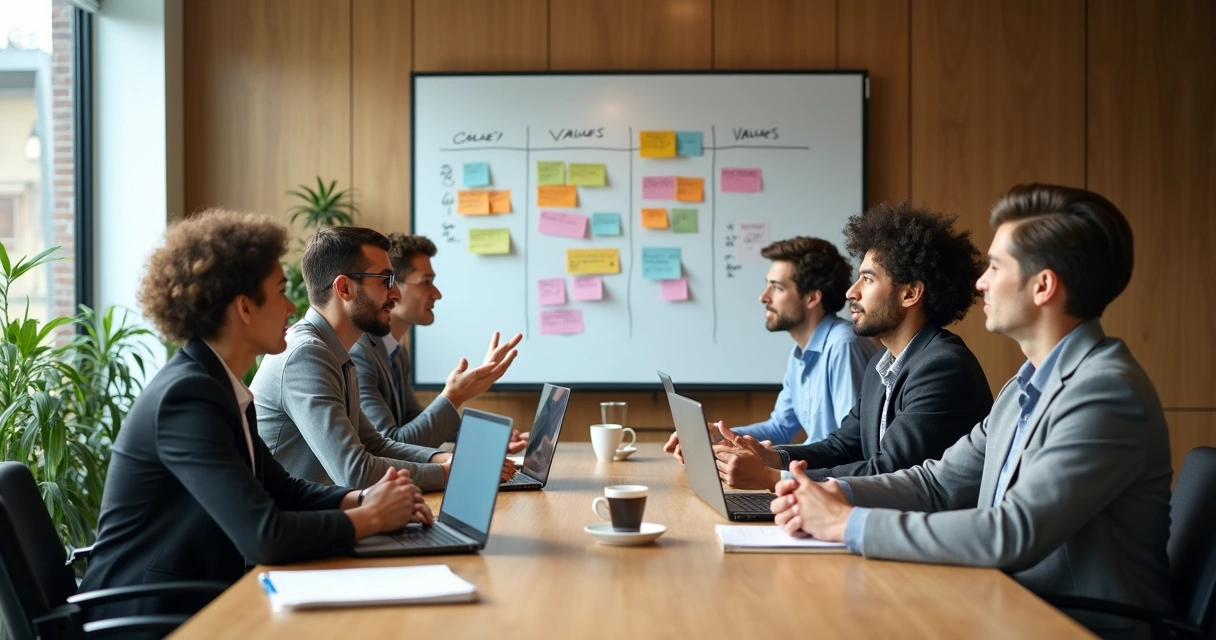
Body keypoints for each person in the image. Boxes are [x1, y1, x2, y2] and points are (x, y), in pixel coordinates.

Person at [771, 184, 1171, 639]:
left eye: (996, 267)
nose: (980, 281)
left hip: (1071, 624)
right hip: (1005, 606)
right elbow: (936, 482)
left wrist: (847, 523)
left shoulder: (1104, 392)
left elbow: (1012, 532)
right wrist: (838, 493)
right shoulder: (1022, 387)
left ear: (1043, 286)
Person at [80, 210, 430, 621]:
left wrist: (365, 498)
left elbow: (285, 491)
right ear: (244, 306)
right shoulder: (187, 397)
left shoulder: (218, 384)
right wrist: (369, 517)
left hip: (200, 601)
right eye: (281, 291)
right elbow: (265, 536)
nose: (291, 305)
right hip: (145, 617)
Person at [711, 203, 993, 491]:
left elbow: (890, 470)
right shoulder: (882, 364)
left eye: (868, 279)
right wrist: (772, 457)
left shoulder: (942, 367)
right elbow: (843, 446)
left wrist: (775, 478)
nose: (851, 292)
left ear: (909, 293)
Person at [253, 226, 516, 491]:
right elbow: (354, 471)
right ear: (344, 287)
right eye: (385, 280)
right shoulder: (307, 354)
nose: (396, 294)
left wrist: (447, 459)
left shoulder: (334, 351)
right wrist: (449, 473)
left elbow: (375, 444)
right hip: (286, 524)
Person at [663, 237, 879, 460]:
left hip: (831, 482)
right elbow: (780, 427)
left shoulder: (844, 346)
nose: (763, 297)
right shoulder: (800, 354)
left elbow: (853, 446)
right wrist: (720, 436)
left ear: (812, 298)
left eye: (776, 288)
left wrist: (774, 462)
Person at [349, 233, 527, 453]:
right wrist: (454, 396)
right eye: (426, 282)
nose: (437, 294)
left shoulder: (396, 351)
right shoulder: (359, 354)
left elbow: (413, 418)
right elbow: (393, 443)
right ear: (392, 286)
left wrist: (487, 436)